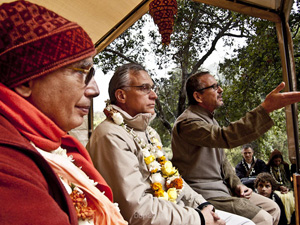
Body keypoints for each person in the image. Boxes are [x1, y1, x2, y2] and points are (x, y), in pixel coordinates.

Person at [0, 1, 127, 225]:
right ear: (26, 82)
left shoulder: (50, 142)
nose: (95, 90)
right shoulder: (7, 164)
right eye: (81, 71)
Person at [87, 63, 255, 225]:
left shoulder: (150, 133)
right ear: (121, 96)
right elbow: (137, 210)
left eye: (153, 88)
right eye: (144, 88)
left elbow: (172, 180)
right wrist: (200, 219)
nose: (154, 95)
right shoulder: (110, 135)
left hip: (176, 212)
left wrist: (203, 206)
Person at [171, 71, 300, 225]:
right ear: (198, 96)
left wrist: (237, 184)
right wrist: (265, 109)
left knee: (273, 208)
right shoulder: (188, 123)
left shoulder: (208, 119)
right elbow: (225, 137)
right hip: (205, 195)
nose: (220, 90)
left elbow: (223, 161)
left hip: (226, 190)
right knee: (263, 218)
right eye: (214, 87)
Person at [267, 149, 295, 224]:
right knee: (280, 197)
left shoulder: (285, 166)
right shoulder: (268, 167)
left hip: (286, 186)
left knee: (289, 197)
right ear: (272, 160)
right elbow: (270, 181)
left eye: (279, 161)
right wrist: (279, 187)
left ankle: (290, 219)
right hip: (275, 188)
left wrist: (287, 188)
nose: (277, 163)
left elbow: (288, 179)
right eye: (276, 161)